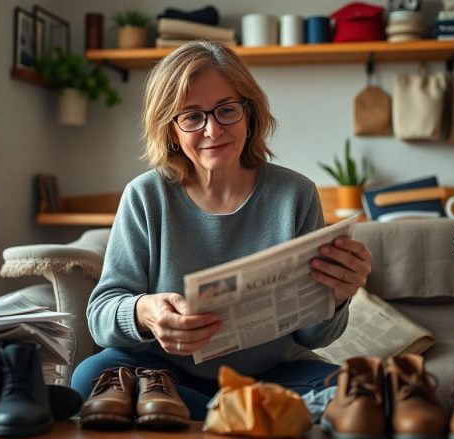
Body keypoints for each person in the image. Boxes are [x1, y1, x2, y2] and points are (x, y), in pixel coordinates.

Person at [71, 41, 372, 421]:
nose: (213, 129)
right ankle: (248, 418)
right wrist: (144, 312)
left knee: (355, 395)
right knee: (88, 378)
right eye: (192, 117)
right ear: (170, 130)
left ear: (250, 113)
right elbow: (100, 315)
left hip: (270, 376)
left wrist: (337, 297)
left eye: (227, 110)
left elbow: (314, 337)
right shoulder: (146, 195)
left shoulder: (295, 194)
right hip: (163, 377)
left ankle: (212, 417)